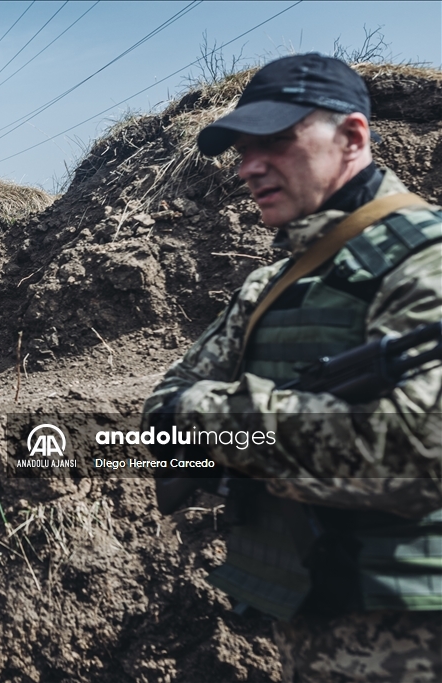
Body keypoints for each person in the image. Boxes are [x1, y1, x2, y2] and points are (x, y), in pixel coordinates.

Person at [142, 54, 441, 681]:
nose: (250, 166)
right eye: (245, 149)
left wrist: (219, 424)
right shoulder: (272, 283)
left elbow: (421, 445)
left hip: (412, 625)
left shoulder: (423, 258)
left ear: (353, 137)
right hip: (315, 616)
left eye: (277, 141)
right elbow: (164, 406)